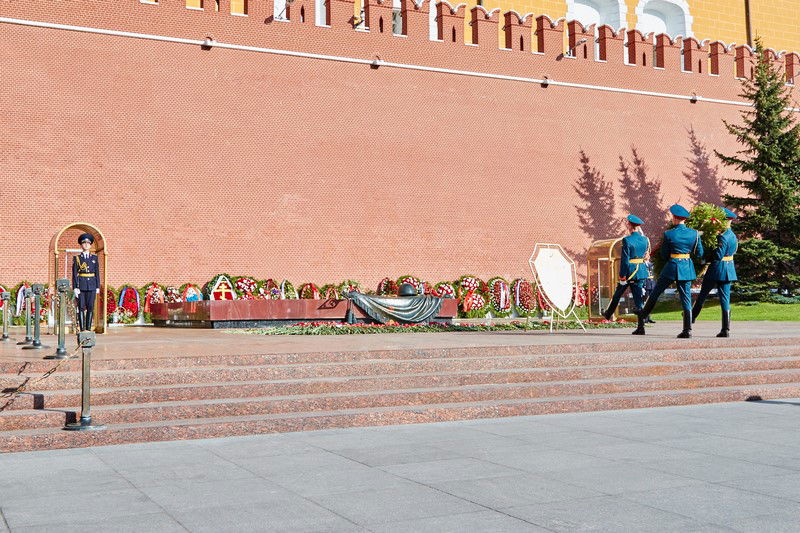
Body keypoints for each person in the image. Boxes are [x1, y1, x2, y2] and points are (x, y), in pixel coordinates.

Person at [634, 204, 704, 338]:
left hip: (672, 266)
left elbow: (664, 254)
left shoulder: (669, 234)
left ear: (675, 218)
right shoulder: (694, 233)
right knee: (686, 298)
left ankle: (643, 314)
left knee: (656, 292)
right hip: (686, 267)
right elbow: (699, 253)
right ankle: (687, 330)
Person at [692, 208, 738, 337]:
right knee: (725, 299)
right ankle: (726, 329)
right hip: (728, 270)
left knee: (703, 295)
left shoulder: (723, 237)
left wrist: (706, 258)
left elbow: (718, 255)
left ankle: (691, 318)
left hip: (717, 270)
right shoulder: (733, 236)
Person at [602, 215, 650, 321]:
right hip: (641, 271)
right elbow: (645, 255)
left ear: (629, 225)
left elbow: (625, 259)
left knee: (617, 294)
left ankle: (608, 313)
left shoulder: (627, 240)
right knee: (638, 298)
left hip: (630, 272)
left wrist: (622, 275)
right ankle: (641, 323)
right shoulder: (645, 240)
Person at [72, 233, 100, 331]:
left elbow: (97, 272)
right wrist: (75, 287)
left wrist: (97, 286)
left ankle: (88, 329)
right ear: (81, 245)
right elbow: (74, 273)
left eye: (88, 243)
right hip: (81, 286)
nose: (86, 245)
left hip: (92, 285)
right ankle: (82, 329)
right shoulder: (77, 258)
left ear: (90, 245)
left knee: (90, 307)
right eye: (84, 243)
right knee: (81, 307)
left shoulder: (94, 258)